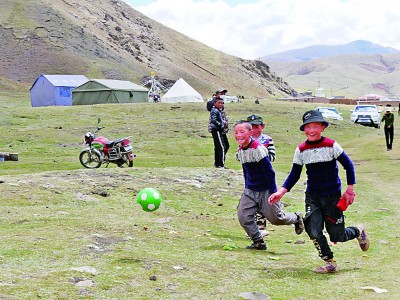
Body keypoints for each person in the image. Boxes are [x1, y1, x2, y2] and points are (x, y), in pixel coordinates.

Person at [268, 110, 370, 274]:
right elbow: (295, 174)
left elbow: (348, 165)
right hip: (313, 197)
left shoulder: (331, 145)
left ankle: (358, 231)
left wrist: (350, 189)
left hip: (332, 197)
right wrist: (282, 191)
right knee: (313, 230)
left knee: (337, 236)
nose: (311, 130)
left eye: (315, 126)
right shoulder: (301, 150)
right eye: (308, 127)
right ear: (304, 129)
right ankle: (330, 262)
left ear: (322, 127)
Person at [234, 120, 304, 250]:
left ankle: (296, 217)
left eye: (242, 132)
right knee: (243, 216)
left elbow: (269, 172)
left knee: (276, 219)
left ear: (250, 133)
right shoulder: (241, 151)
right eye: (236, 132)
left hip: (266, 189)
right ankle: (258, 241)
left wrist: (273, 192)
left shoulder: (258, 149)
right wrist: (246, 188)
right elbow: (246, 171)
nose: (238, 135)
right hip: (250, 190)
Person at [247, 114, 276, 234]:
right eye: (251, 127)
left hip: (264, 175)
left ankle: (261, 227)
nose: (253, 130)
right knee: (250, 201)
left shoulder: (267, 140)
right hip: (250, 175)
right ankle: (252, 228)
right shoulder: (245, 140)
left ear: (262, 126)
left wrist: (260, 155)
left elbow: (272, 157)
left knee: (262, 201)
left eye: (256, 126)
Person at [209, 97, 227, 168]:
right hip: (216, 129)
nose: (221, 104)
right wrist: (220, 125)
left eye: (222, 103)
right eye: (219, 103)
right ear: (215, 103)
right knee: (221, 147)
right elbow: (213, 120)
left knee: (217, 147)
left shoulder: (217, 110)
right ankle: (221, 164)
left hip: (216, 129)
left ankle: (217, 163)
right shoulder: (215, 110)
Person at [215, 89, 230, 161]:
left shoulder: (221, 104)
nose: (223, 94)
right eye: (221, 93)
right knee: (223, 146)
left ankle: (219, 161)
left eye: (224, 93)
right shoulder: (215, 104)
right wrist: (221, 124)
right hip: (219, 129)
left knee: (222, 146)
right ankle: (220, 162)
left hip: (223, 128)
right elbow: (214, 119)